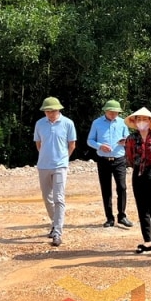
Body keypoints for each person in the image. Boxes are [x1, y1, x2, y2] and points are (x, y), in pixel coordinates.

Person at [124, 107, 151, 254]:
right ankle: (148, 241)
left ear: (150, 121)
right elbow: (129, 159)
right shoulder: (131, 139)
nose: (141, 122)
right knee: (142, 209)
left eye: (144, 119)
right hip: (138, 175)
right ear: (135, 122)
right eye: (138, 119)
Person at [34, 97, 77, 248]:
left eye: (52, 111)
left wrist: (63, 160)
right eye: (47, 111)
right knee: (47, 198)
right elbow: (39, 144)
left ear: (58, 110)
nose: (50, 113)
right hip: (43, 166)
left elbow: (71, 145)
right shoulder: (39, 124)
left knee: (59, 198)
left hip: (60, 166)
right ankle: (55, 223)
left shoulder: (68, 123)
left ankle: (58, 232)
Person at [87, 100, 133, 228]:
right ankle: (109, 218)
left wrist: (125, 141)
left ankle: (122, 216)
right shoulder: (96, 123)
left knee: (122, 187)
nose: (113, 115)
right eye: (111, 112)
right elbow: (89, 140)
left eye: (116, 113)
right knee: (106, 189)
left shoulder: (123, 122)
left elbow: (129, 138)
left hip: (119, 159)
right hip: (103, 160)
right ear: (105, 111)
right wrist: (100, 146)